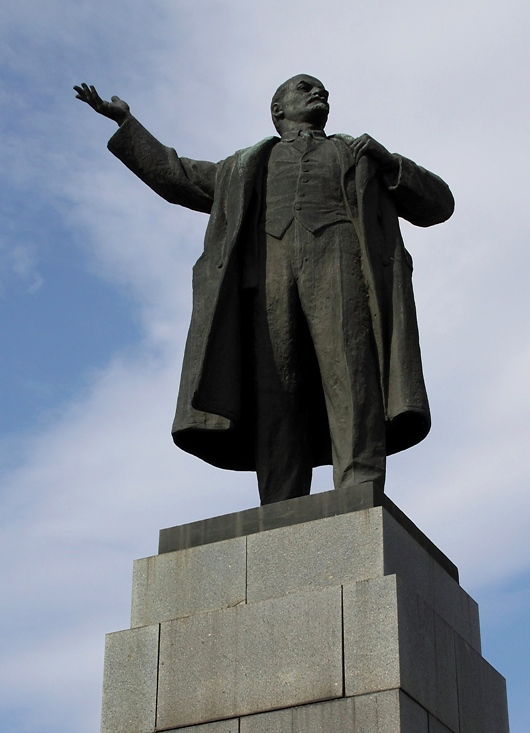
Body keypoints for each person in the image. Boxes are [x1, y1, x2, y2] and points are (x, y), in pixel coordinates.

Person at [74, 75, 454, 505]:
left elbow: (440, 204)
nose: (319, 93)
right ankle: (279, 502)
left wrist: (391, 163)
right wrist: (128, 125)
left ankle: (358, 491)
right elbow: (177, 176)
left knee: (351, 376)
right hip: (268, 279)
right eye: (305, 87)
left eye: (323, 90)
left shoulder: (360, 154)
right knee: (277, 389)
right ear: (278, 110)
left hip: (342, 266)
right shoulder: (243, 165)